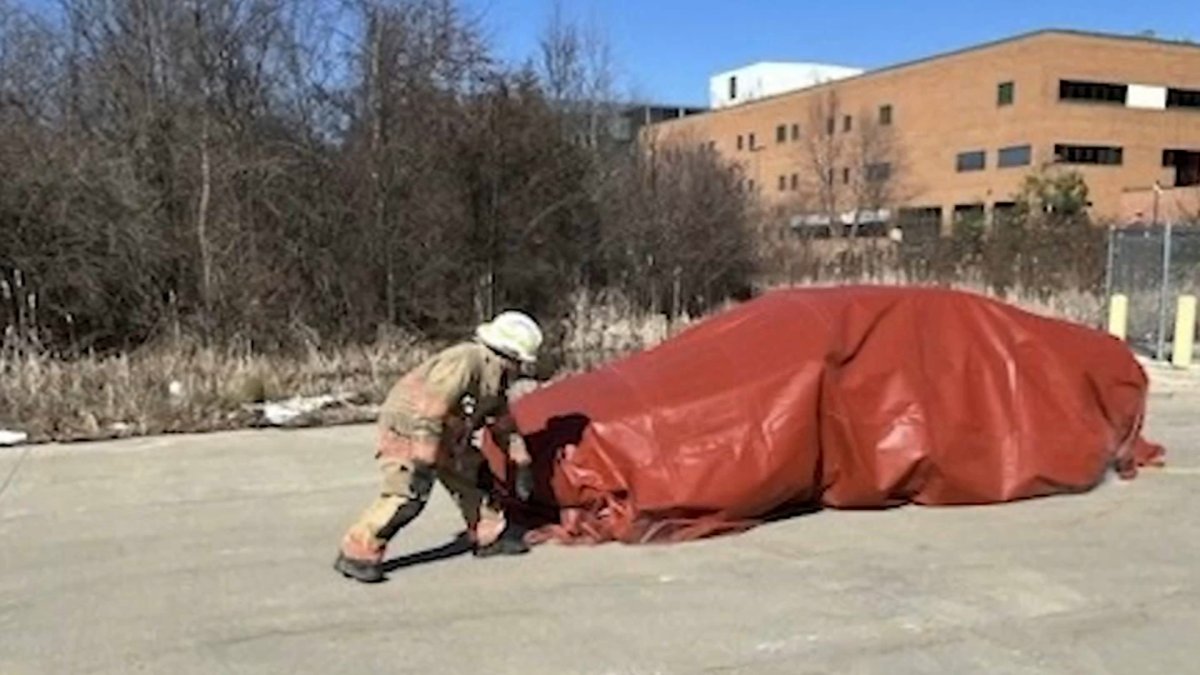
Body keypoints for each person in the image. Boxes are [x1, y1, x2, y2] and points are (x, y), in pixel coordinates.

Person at [334, 311, 543, 583]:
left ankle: (488, 534)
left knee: (474, 476)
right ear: (509, 353)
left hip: (446, 433)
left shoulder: (495, 375)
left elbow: (503, 424)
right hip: (410, 427)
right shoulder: (467, 360)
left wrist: (522, 462)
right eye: (520, 362)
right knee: (407, 495)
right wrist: (423, 461)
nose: (521, 369)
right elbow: (430, 409)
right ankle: (357, 551)